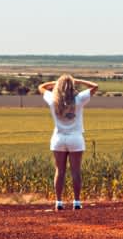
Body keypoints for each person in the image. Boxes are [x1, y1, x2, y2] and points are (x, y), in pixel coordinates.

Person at [39, 74, 98, 210]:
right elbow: (95, 86)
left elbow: (41, 87)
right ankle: (76, 202)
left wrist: (58, 82)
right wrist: (76, 81)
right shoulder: (79, 99)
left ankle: (58, 202)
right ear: (73, 86)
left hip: (58, 138)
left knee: (60, 170)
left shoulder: (53, 99)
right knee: (76, 171)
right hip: (75, 138)